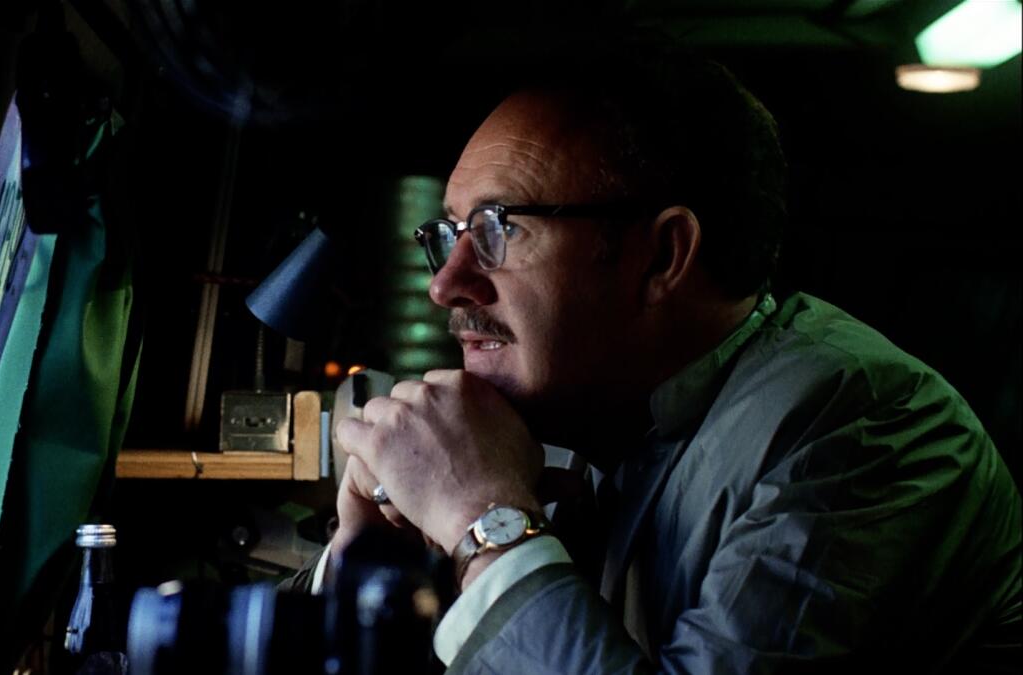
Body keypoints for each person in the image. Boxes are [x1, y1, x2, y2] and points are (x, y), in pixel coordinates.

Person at [300, 55, 1023, 673]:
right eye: (451, 233)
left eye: (500, 227)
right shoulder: (563, 417)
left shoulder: (865, 421)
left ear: (662, 255)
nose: (445, 282)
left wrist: (480, 520)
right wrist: (366, 553)